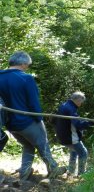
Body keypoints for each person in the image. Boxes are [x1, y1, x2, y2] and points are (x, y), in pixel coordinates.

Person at [0, 51, 66, 180]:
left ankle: (24, 172)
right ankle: (53, 168)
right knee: (43, 144)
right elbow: (33, 102)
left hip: (9, 123)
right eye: (28, 65)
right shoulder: (26, 78)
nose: (27, 67)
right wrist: (39, 119)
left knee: (28, 145)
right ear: (24, 64)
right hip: (27, 121)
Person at [54, 91, 94, 176]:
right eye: (81, 102)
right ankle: (82, 174)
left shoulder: (64, 105)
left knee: (74, 151)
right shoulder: (70, 109)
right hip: (70, 137)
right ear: (78, 100)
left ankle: (71, 171)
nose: (81, 104)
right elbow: (78, 125)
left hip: (62, 135)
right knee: (83, 153)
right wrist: (90, 123)